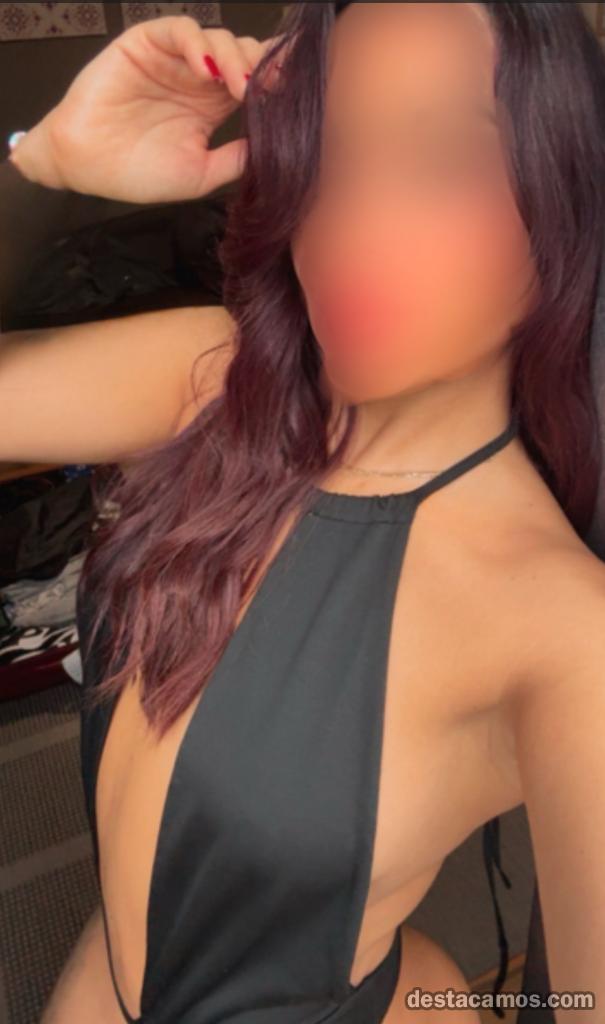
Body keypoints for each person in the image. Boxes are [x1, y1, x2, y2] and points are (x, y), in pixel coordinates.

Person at [1, 5, 604, 1023]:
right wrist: (41, 166)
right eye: (326, 155)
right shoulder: (209, 380)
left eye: (442, 161)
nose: (351, 228)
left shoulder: (560, 629)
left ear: (566, 198)